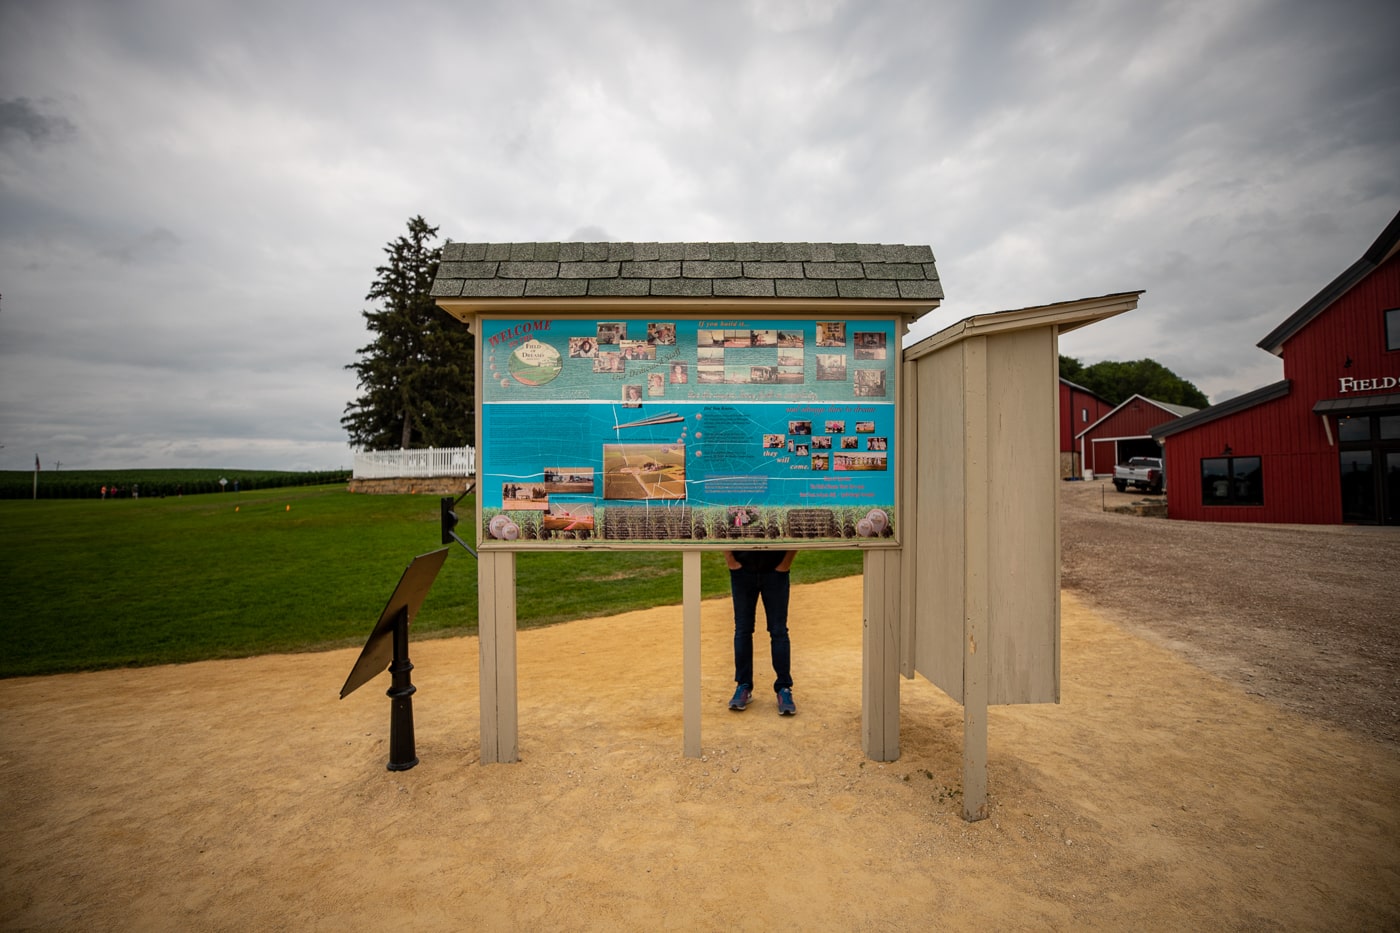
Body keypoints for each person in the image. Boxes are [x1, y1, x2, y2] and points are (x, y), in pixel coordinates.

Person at [725, 548, 798, 715]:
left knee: (778, 630)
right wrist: (731, 560)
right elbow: (724, 525)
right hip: (742, 571)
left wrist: (785, 563)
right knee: (743, 629)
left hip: (776, 571)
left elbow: (795, 529)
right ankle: (743, 685)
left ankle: (784, 687)